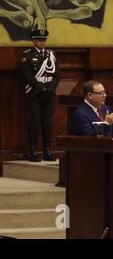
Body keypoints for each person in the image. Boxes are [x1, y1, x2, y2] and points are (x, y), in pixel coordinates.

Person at [20, 29, 60, 162]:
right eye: (39, 40)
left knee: (47, 123)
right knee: (35, 122)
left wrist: (50, 90)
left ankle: (47, 150)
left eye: (44, 40)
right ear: (33, 40)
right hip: (34, 93)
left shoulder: (52, 55)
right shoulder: (27, 55)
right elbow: (27, 76)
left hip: (49, 93)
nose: (42, 42)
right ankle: (32, 151)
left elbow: (57, 75)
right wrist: (40, 89)